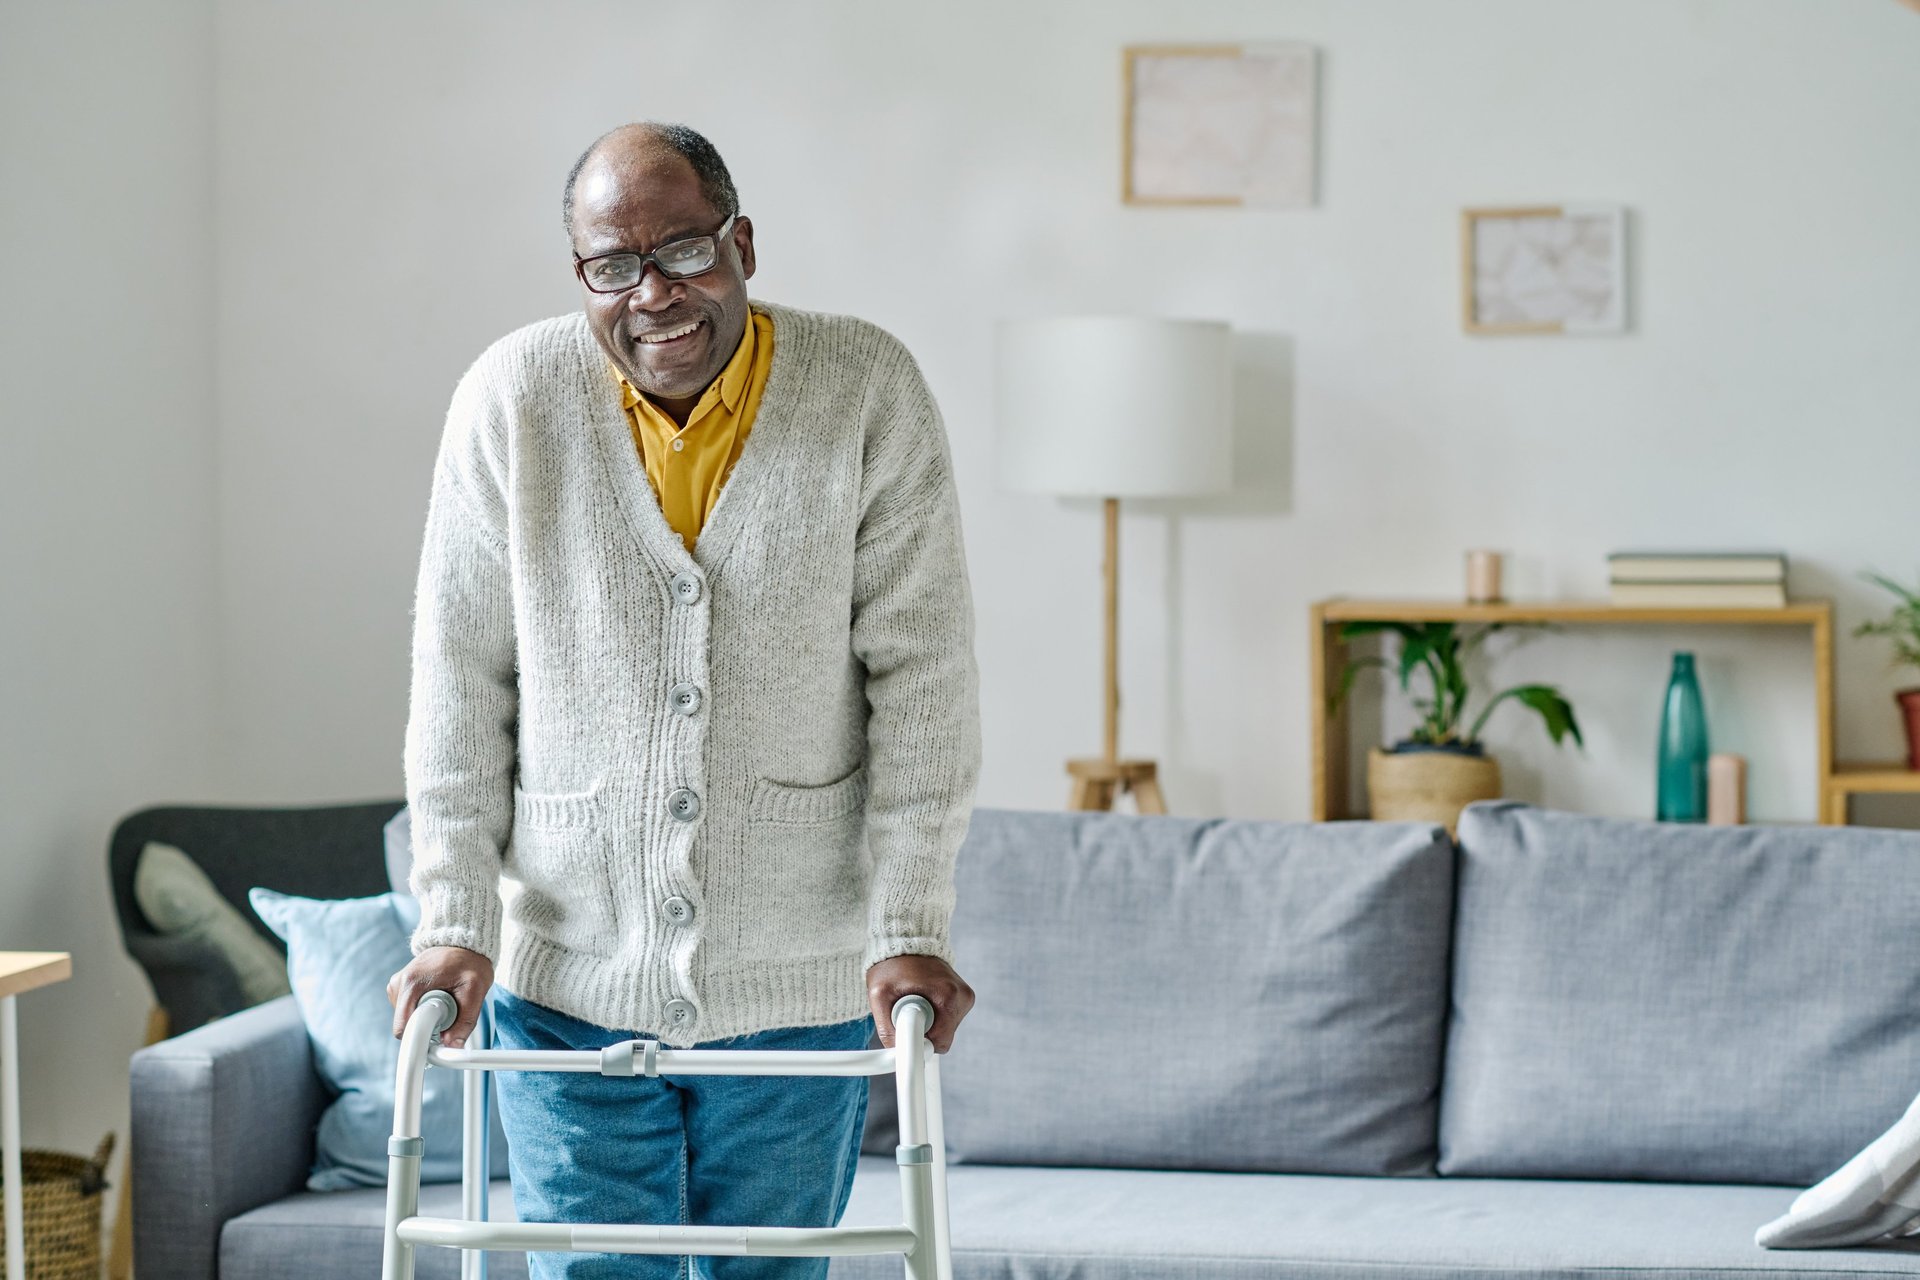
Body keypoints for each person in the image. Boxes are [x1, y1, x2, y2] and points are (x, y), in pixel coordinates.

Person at [385, 121, 982, 1280]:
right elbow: (459, 678)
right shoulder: (512, 398)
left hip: (796, 981)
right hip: (566, 980)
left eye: (685, 252)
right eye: (614, 265)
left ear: (743, 242)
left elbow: (924, 679)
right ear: (582, 276)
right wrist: (455, 915)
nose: (652, 294)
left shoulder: (867, 388)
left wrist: (909, 925)